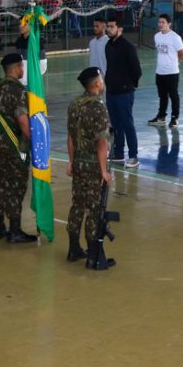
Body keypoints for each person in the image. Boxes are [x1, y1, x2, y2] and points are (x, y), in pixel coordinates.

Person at [0, 53, 36, 244]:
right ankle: (14, 229)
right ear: (17, 67)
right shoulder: (18, 91)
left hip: (0, 141)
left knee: (2, 181)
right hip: (15, 144)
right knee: (16, 185)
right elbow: (22, 121)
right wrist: (35, 143)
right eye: (21, 66)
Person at [66, 68, 114, 262]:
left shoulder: (74, 104)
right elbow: (102, 142)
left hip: (78, 161)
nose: (103, 83)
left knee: (77, 204)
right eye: (101, 80)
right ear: (96, 84)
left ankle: (73, 248)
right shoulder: (98, 107)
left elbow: (71, 136)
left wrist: (71, 161)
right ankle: (94, 254)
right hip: (93, 163)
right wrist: (103, 171)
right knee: (94, 208)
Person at [104, 17, 142, 168]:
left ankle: (133, 156)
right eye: (108, 26)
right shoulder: (108, 45)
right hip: (111, 92)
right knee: (115, 125)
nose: (109, 29)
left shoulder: (127, 47)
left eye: (112, 26)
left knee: (127, 124)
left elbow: (137, 70)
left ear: (120, 29)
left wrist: (128, 85)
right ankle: (118, 153)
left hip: (124, 93)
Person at [148, 14, 183, 128]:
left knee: (173, 95)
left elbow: (182, 52)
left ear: (169, 24)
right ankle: (161, 116)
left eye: (163, 22)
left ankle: (174, 118)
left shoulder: (175, 37)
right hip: (160, 72)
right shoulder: (157, 36)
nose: (160, 24)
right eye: (159, 22)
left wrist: (175, 62)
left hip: (172, 72)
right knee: (162, 95)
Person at [14, 20, 47, 86]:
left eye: (24, 24)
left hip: (32, 82)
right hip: (20, 82)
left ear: (31, 26)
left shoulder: (37, 42)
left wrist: (34, 77)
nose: (21, 26)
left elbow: (43, 63)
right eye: (20, 23)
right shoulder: (18, 41)